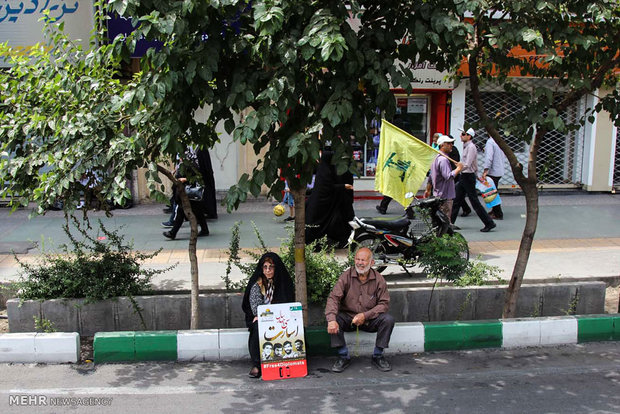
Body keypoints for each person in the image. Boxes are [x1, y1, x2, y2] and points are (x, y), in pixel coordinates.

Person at [325, 247, 395, 373]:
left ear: (371, 263)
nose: (359, 263)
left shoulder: (379, 279)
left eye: (363, 260)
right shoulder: (346, 276)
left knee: (388, 319)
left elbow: (384, 304)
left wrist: (365, 315)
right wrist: (331, 319)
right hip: (349, 318)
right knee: (334, 318)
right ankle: (343, 356)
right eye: (357, 259)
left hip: (369, 320)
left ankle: (378, 355)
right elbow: (334, 298)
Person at [241, 252, 295, 378]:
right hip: (261, 317)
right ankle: (257, 365)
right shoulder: (257, 284)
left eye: (271, 267)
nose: (268, 270)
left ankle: (290, 361)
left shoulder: (283, 282)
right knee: (257, 328)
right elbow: (254, 307)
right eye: (265, 267)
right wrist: (262, 316)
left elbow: (287, 302)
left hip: (281, 316)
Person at [305, 150, 354, 247]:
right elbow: (326, 187)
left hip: (318, 206)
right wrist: (343, 186)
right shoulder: (326, 172)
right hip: (320, 208)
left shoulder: (324, 169)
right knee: (317, 228)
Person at [451, 128, 496, 232]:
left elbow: (468, 164)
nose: (461, 136)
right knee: (457, 200)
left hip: (468, 176)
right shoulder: (466, 146)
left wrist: (458, 168)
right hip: (465, 176)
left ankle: (489, 222)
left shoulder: (471, 147)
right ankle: (450, 223)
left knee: (474, 202)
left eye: (463, 134)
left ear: (469, 136)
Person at [423, 135, 464, 221]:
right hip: (445, 195)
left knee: (439, 221)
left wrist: (428, 189)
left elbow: (431, 175)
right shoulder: (443, 160)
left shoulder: (436, 158)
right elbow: (448, 176)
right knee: (444, 221)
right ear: (442, 145)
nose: (451, 145)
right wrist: (458, 169)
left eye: (451, 143)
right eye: (448, 143)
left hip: (438, 194)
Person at [481, 136, 506, 220]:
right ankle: (494, 211)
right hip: (499, 169)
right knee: (494, 190)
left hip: (493, 171)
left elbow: (489, 158)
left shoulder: (490, 142)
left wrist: (485, 170)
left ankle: (498, 213)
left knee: (491, 192)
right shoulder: (499, 140)